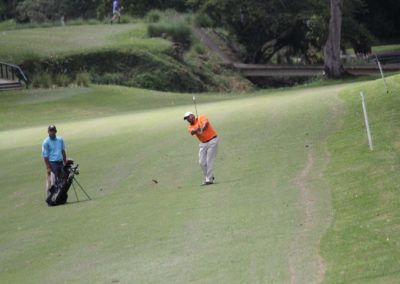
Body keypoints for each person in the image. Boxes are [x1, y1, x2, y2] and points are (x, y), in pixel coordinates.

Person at [184, 112, 219, 186]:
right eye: (186, 119)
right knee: (201, 162)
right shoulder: (190, 127)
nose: (188, 120)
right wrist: (197, 129)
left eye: (188, 117)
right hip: (203, 144)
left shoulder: (201, 117)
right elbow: (192, 132)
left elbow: (206, 124)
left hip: (212, 140)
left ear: (193, 115)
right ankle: (210, 176)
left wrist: (202, 128)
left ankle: (208, 179)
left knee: (209, 160)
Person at [42, 125, 67, 198]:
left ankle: (59, 197)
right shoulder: (46, 142)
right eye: (50, 131)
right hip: (52, 163)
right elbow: (45, 156)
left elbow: (63, 151)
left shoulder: (60, 140)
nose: (52, 132)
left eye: (53, 131)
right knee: (52, 181)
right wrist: (48, 167)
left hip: (60, 162)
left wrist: (65, 161)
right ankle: (49, 197)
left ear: (56, 131)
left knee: (61, 181)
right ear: (48, 132)